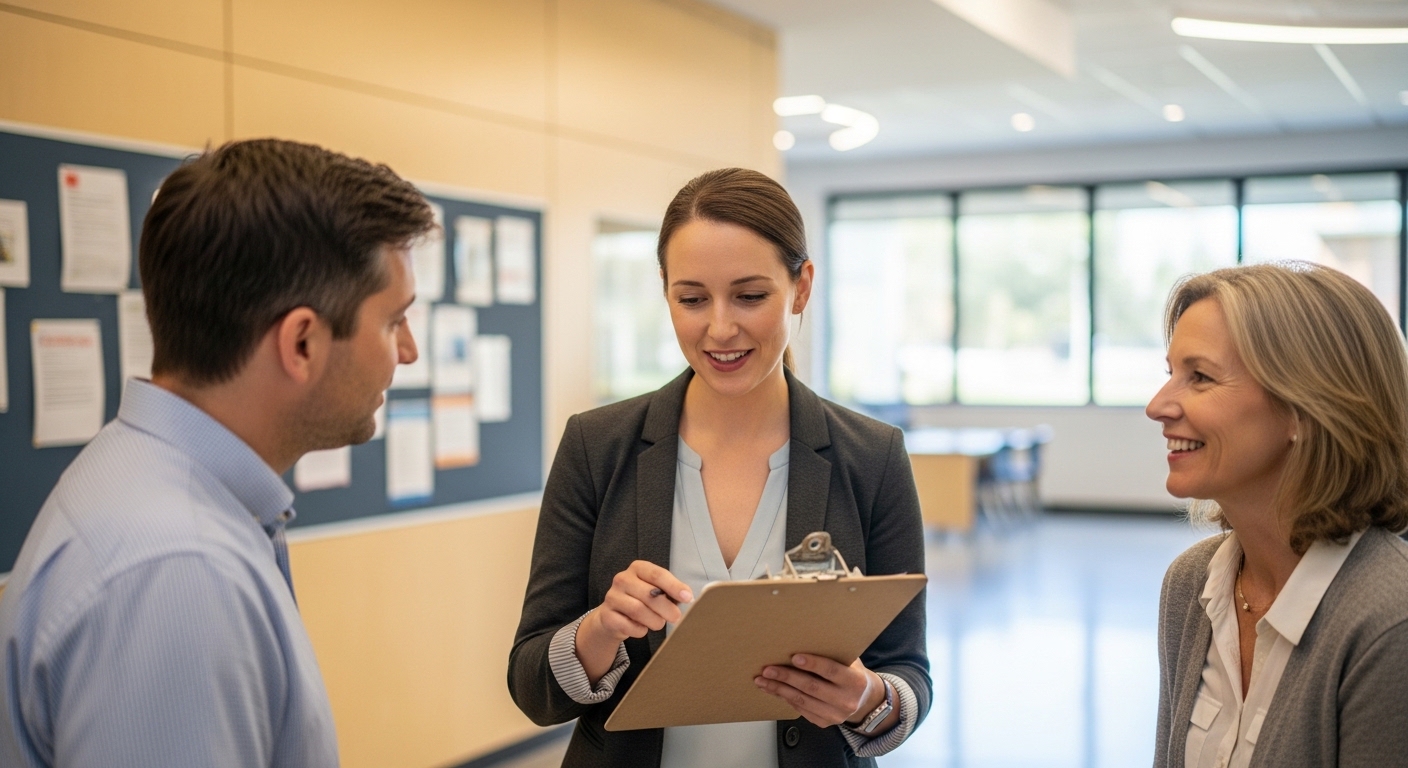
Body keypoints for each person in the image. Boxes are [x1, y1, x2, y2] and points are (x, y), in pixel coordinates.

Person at [0, 139, 434, 767]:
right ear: (302, 343)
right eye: (394, 321)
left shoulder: (145, 479)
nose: (409, 351)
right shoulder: (178, 573)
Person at [508, 168, 930, 767]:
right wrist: (600, 630)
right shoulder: (596, 447)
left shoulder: (872, 456)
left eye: (750, 296)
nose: (721, 328)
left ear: (802, 287)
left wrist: (867, 699)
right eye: (692, 299)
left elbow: (907, 671)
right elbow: (531, 684)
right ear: (666, 293)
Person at [1146, 262, 1408, 767]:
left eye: (1200, 377)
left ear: (1303, 410)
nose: (1158, 406)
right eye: (1170, 374)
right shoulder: (1191, 584)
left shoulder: (1390, 621)